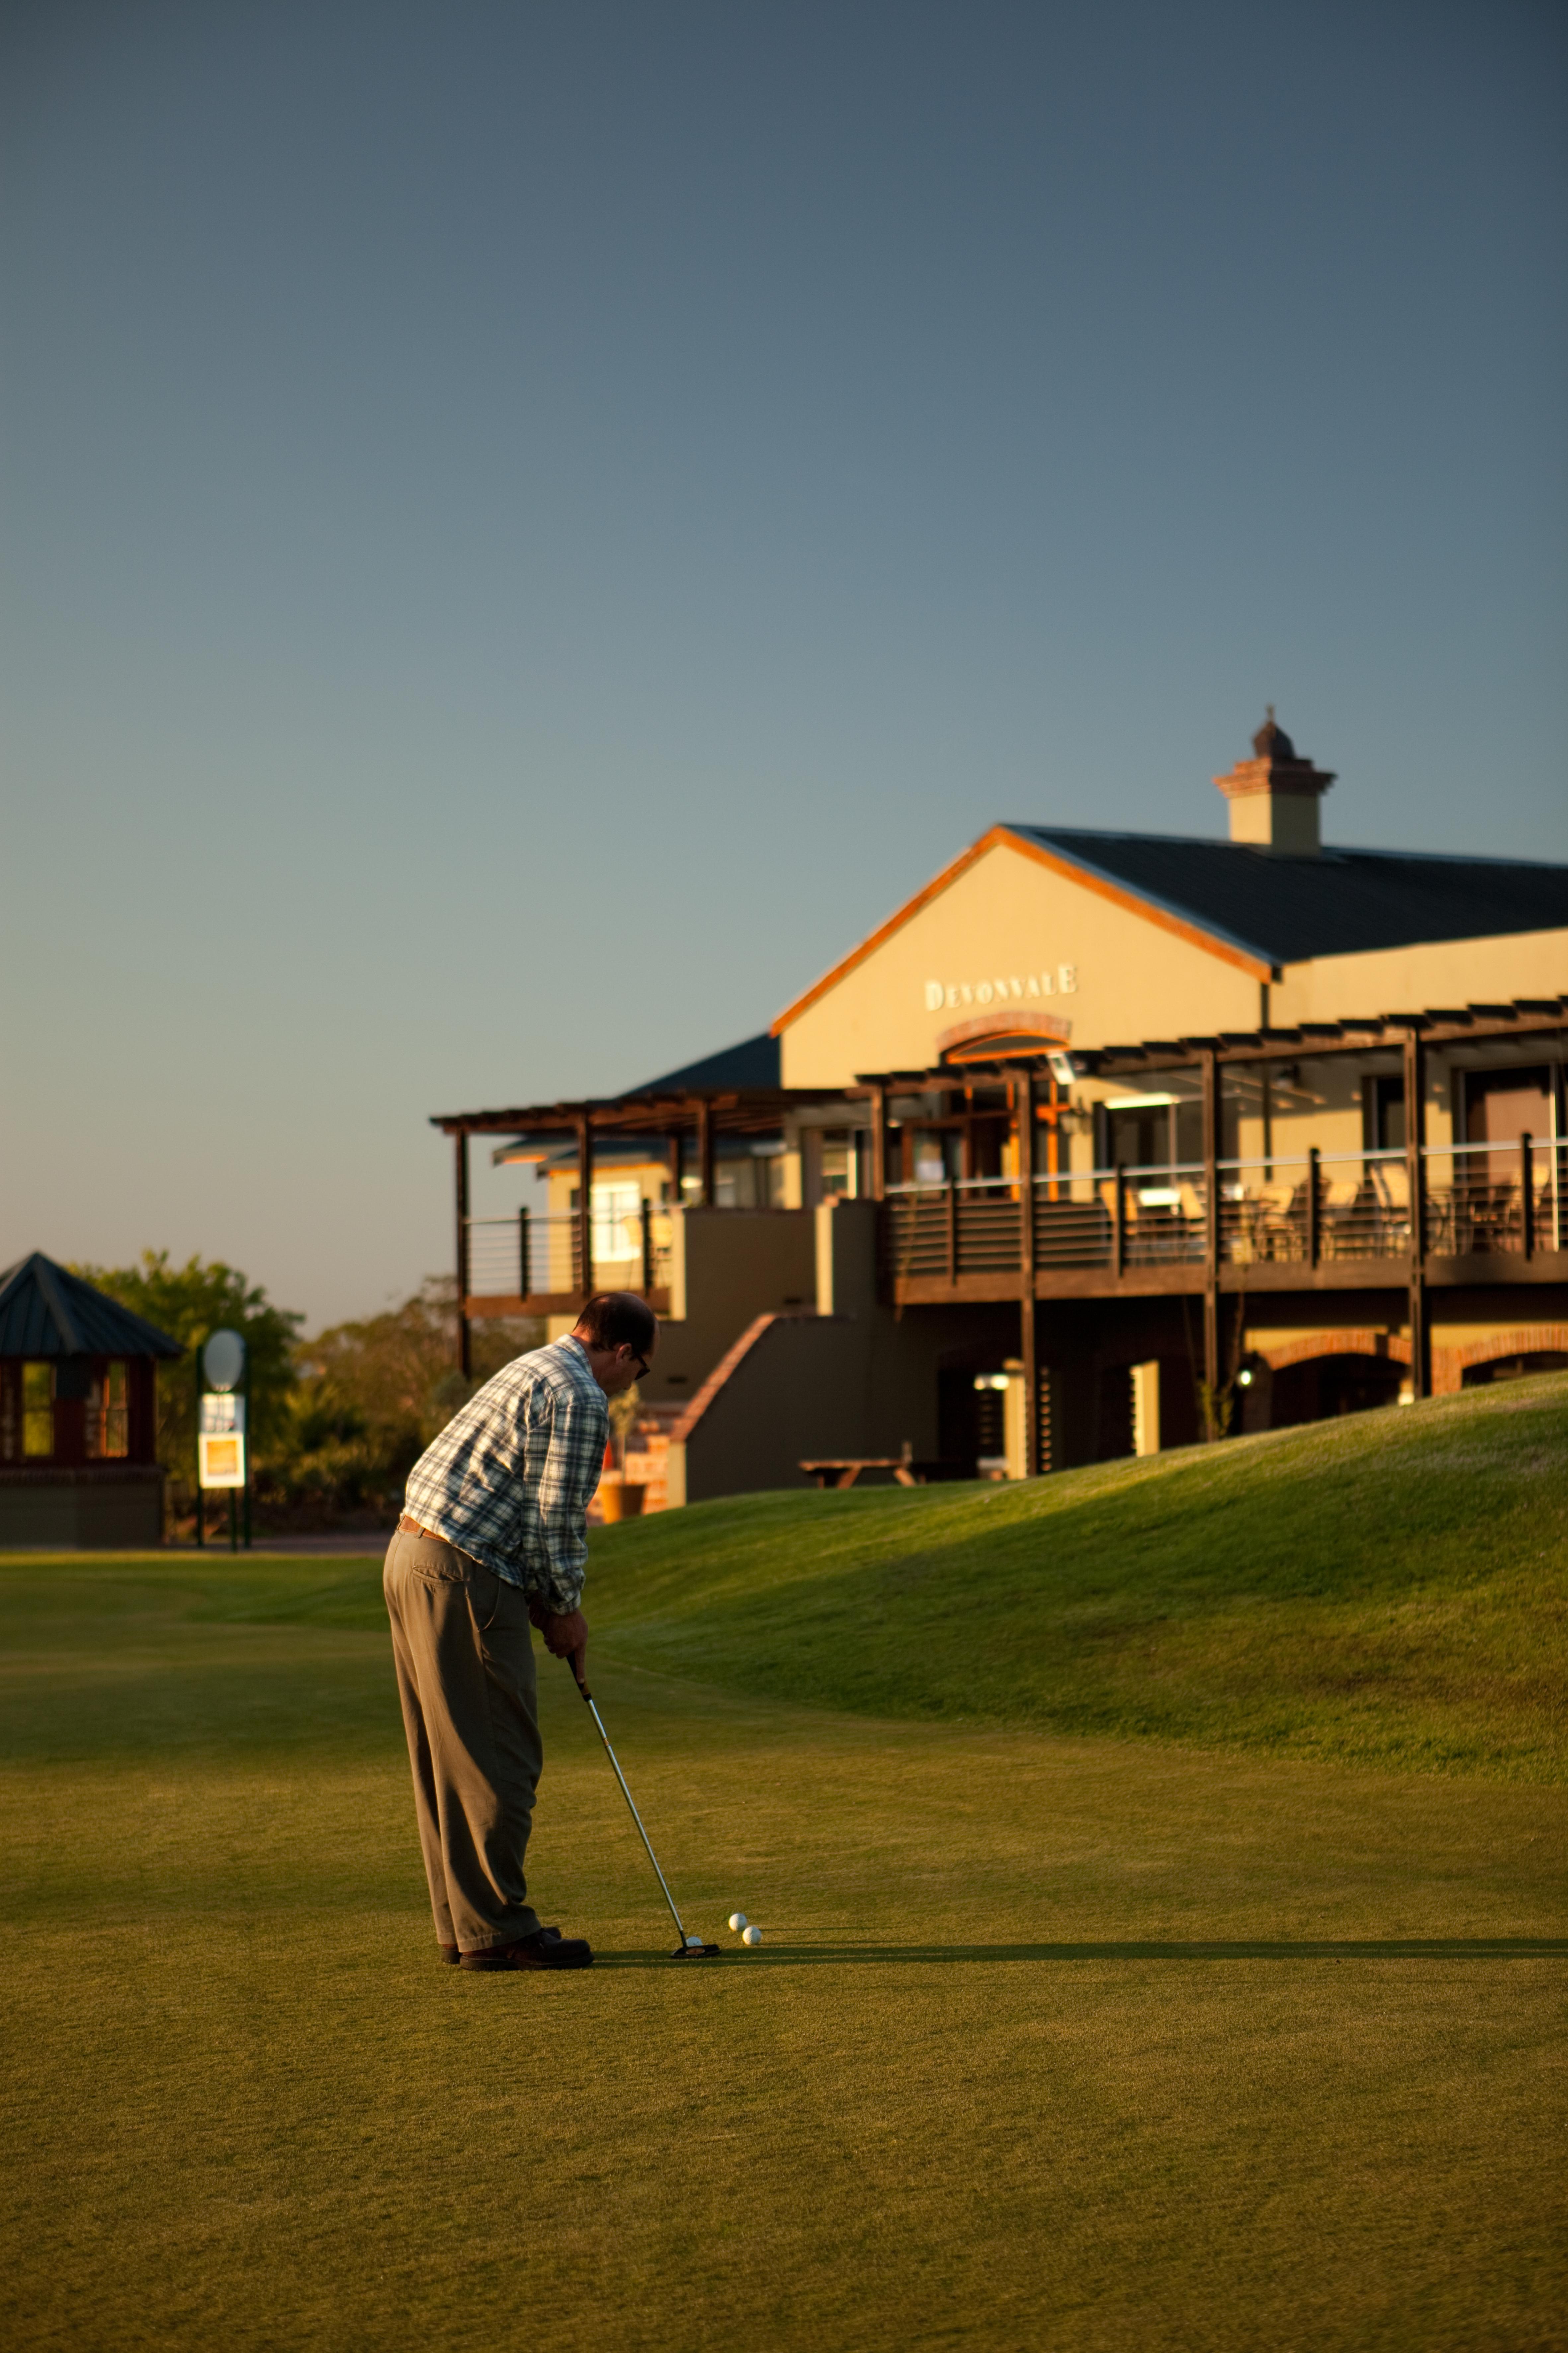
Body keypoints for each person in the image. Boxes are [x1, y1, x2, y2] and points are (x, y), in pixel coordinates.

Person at [383, 1290, 656, 1972]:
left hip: (410, 1554)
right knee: (501, 1753)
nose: (632, 1384)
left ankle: (466, 1923)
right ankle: (499, 1927)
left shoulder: (531, 1365)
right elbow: (555, 1517)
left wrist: (539, 1596)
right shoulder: (582, 1394)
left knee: (445, 1757)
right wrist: (563, 1608)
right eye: (640, 1369)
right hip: (461, 1571)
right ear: (622, 1352)